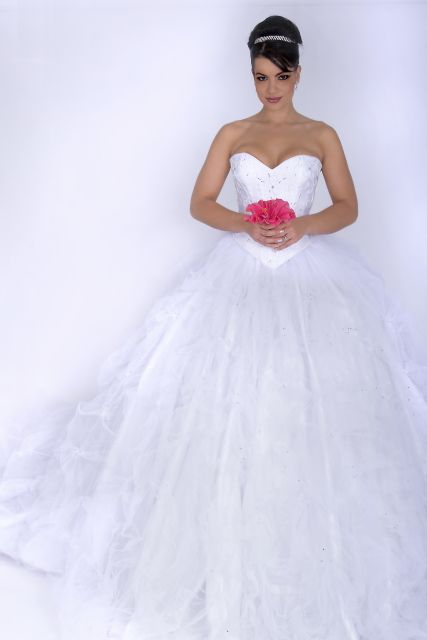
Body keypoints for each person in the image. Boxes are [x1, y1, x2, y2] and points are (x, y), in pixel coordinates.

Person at [1, 13, 427, 640]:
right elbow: (200, 202)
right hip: (241, 270)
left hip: (310, 276)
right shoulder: (233, 132)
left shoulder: (322, 134)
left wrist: (302, 226)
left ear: (299, 74)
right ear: (250, 76)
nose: (270, 88)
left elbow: (348, 205)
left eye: (280, 76)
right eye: (260, 77)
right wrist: (247, 223)